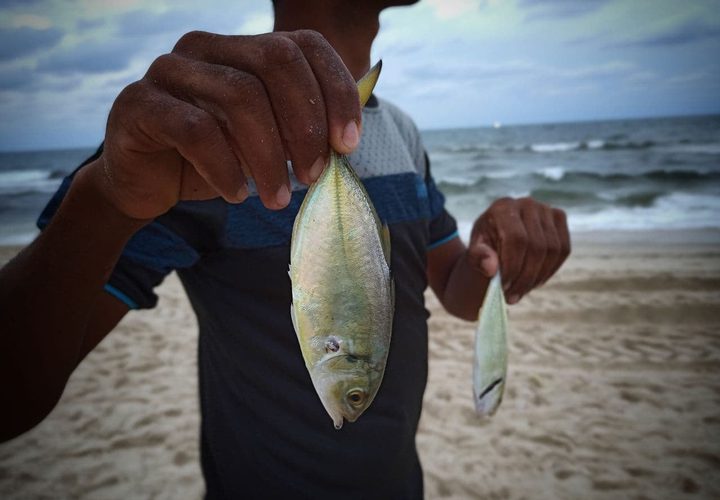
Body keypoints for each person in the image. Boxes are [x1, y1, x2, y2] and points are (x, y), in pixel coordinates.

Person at [0, 0, 570, 498]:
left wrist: (487, 254)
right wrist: (106, 198)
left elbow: (453, 290)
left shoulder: (401, 129)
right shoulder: (197, 135)